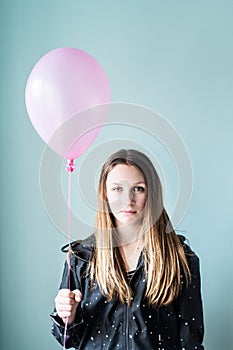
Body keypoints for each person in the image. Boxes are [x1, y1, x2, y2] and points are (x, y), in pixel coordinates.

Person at [51, 149, 204, 349]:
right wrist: (66, 318)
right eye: (117, 189)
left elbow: (190, 341)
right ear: (104, 194)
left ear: (152, 193)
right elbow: (67, 339)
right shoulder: (81, 258)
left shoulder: (180, 258)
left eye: (138, 188)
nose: (128, 200)